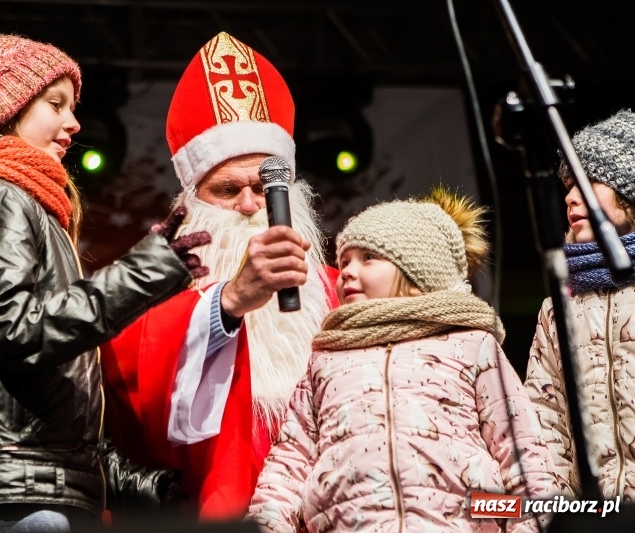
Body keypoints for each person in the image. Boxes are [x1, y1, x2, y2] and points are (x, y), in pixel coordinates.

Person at [0, 34, 210, 532]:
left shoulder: (28, 203)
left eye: (73, 106)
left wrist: (131, 483)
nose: (74, 122)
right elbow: (18, 330)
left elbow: (45, 392)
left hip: (36, 492)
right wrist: (148, 270)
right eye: (54, 104)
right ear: (5, 109)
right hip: (19, 502)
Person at [99, 32, 338, 521]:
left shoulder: (339, 288)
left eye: (262, 187)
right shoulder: (156, 296)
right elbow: (133, 374)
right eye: (227, 189)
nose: (249, 206)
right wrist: (226, 303)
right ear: (191, 201)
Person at [246, 187, 558, 532]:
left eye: (368, 258)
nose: (347, 271)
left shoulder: (471, 345)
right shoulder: (327, 359)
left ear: (417, 276)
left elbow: (522, 452)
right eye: (344, 260)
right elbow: (290, 462)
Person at [525, 108, 635, 503]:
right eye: (568, 184)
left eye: (588, 182)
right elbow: (544, 416)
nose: (570, 196)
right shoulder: (559, 304)